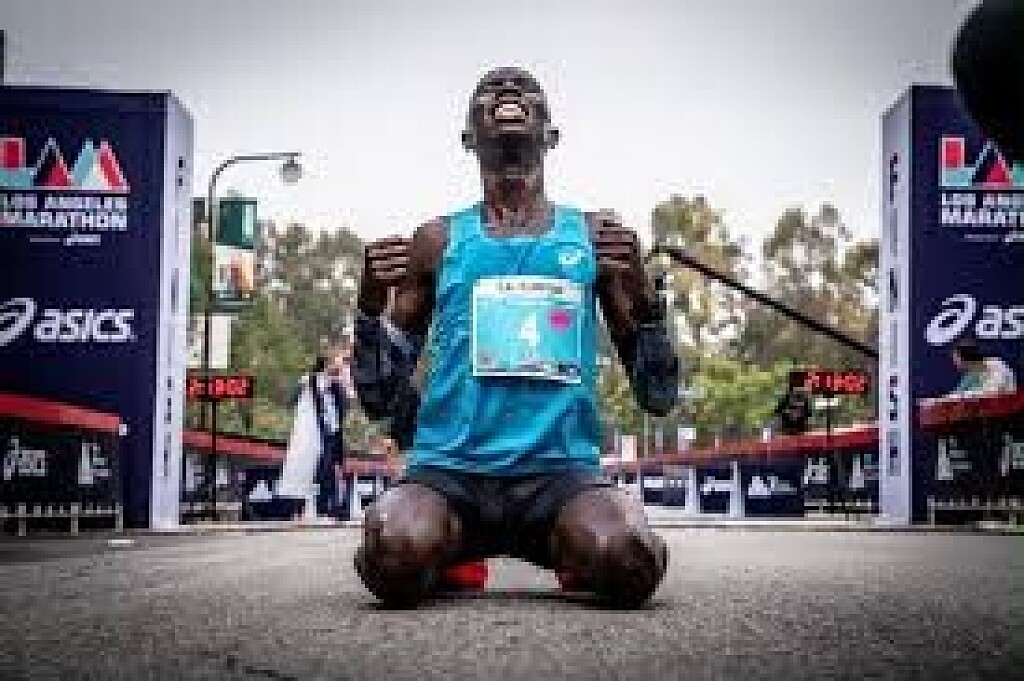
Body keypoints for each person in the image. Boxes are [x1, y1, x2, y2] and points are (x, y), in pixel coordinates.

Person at [352, 67, 679, 608]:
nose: (508, 90)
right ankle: (448, 548)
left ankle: (575, 548)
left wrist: (646, 304)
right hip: (449, 473)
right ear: (468, 138)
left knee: (629, 562)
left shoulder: (595, 237)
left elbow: (658, 396)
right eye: (490, 90)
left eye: (526, 90)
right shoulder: (436, 241)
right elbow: (380, 399)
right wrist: (367, 309)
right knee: (394, 558)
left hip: (560, 476)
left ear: (552, 135)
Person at [278, 340, 356, 520]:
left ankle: (329, 509)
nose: (340, 365)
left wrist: (345, 376)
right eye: (337, 361)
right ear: (327, 364)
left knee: (330, 470)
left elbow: (350, 397)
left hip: (331, 434)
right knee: (310, 469)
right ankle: (301, 509)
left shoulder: (338, 385)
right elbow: (296, 397)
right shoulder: (311, 381)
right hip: (314, 435)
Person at [949, 338, 1017, 397]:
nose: (955, 362)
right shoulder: (971, 374)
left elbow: (993, 392)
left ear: (967, 359)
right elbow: (956, 394)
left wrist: (966, 395)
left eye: (956, 359)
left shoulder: (997, 366)